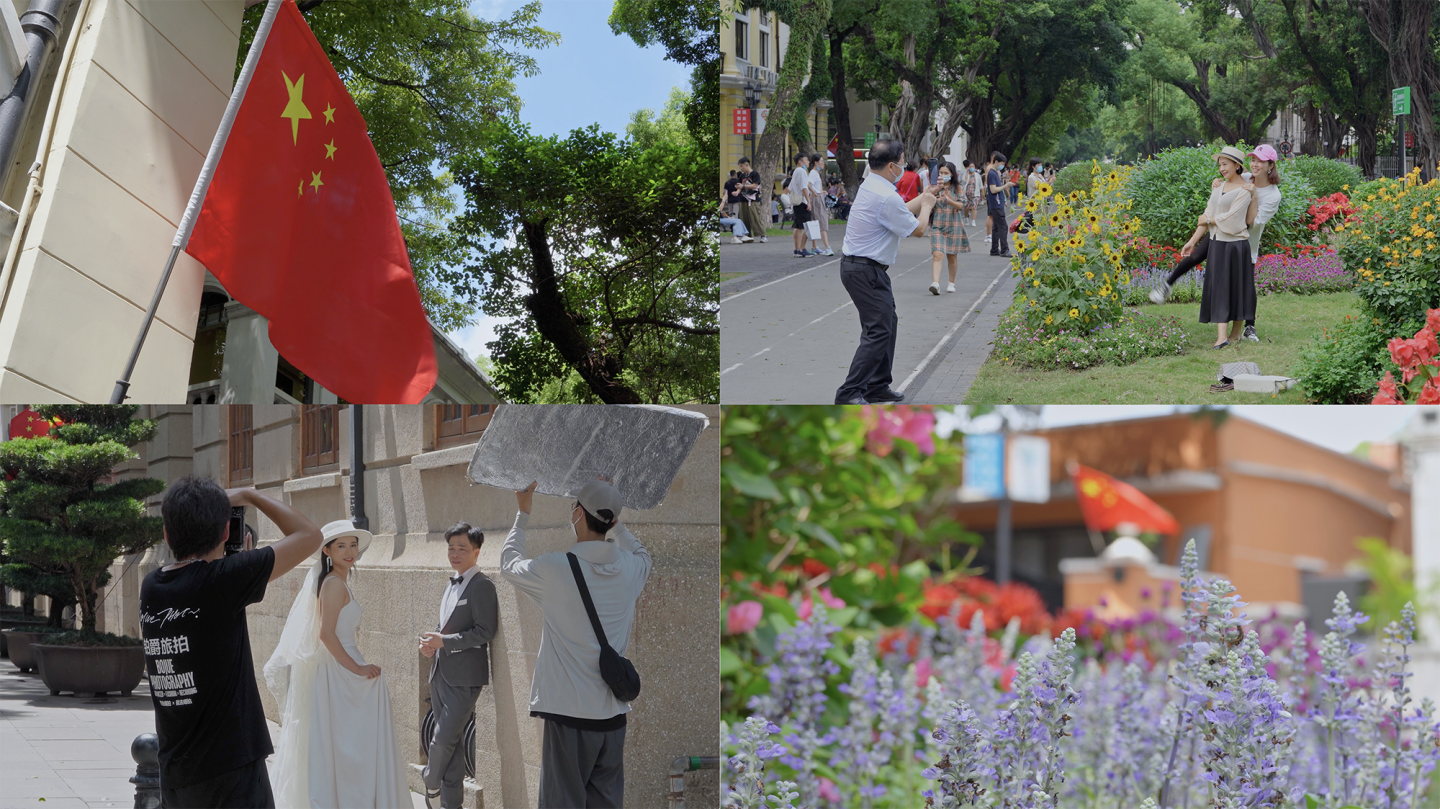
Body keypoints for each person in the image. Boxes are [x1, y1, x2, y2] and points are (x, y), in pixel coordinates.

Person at [140, 477, 323, 809]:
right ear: (226, 532)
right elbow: (311, 535)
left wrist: (241, 570)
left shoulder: (152, 586)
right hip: (229, 771)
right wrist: (249, 495)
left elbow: (207, 615)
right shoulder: (225, 580)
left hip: (176, 774)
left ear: (167, 535)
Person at [501, 479, 651, 809]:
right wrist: (616, 520)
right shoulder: (631, 569)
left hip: (568, 716)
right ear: (611, 522)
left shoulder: (555, 568)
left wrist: (522, 513)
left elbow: (509, 563)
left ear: (578, 514)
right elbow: (642, 552)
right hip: (613, 716)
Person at [264, 520, 410, 809]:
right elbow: (326, 634)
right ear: (327, 551)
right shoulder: (332, 584)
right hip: (338, 672)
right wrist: (356, 669)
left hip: (343, 666)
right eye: (341, 546)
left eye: (353, 545)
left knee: (354, 744)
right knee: (348, 746)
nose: (349, 551)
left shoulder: (339, 581)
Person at [833, 138, 937, 405]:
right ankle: (850, 392)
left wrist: (922, 198)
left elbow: (899, 211)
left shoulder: (872, 184)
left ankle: (877, 385)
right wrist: (926, 206)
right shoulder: (885, 195)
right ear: (892, 166)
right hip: (864, 270)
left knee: (887, 324)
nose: (904, 167)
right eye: (902, 163)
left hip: (864, 269)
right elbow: (918, 229)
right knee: (878, 330)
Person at [420, 523, 500, 809]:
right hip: (440, 673)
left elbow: (485, 630)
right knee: (451, 749)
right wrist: (431, 643)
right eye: (451, 548)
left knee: (441, 739)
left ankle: (430, 782)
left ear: (476, 552)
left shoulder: (482, 585)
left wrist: (445, 641)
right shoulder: (450, 582)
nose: (454, 553)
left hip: (465, 679)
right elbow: (446, 627)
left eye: (462, 548)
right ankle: (450, 805)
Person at [1187, 146, 1257, 348]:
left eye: (1225, 164)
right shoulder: (1218, 187)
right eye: (1220, 165)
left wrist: (1210, 219)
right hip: (1217, 244)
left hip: (1236, 246)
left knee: (1237, 289)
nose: (1222, 169)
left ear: (1237, 165)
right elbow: (1207, 214)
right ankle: (1222, 336)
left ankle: (1234, 334)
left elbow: (1234, 218)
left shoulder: (1245, 190)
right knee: (1220, 289)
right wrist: (1192, 241)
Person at [1239, 144, 1283, 341]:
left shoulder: (1273, 195)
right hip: (1225, 234)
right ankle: (1168, 284)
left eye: (1260, 161)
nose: (1254, 164)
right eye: (1253, 159)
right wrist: (1218, 184)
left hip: (1247, 242)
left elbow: (1252, 223)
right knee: (1196, 254)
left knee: (1247, 284)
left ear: (1270, 165)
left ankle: (1250, 327)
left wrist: (1254, 196)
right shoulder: (1245, 178)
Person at [927, 160, 969, 295]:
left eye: (946, 173)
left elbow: (961, 206)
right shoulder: (934, 188)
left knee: (952, 256)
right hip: (937, 225)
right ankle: (935, 283)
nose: (943, 175)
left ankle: (951, 283)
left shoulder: (958, 189)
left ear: (952, 174)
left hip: (954, 225)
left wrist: (949, 200)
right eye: (941, 172)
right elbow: (926, 204)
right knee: (937, 254)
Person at [986, 152, 1014, 258]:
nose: (1002, 166)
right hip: (996, 203)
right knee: (1003, 226)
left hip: (997, 202)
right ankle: (1004, 249)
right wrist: (1006, 185)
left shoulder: (994, 172)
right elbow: (993, 190)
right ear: (996, 161)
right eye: (1001, 163)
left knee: (997, 227)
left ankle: (994, 249)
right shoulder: (992, 173)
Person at [807, 152, 835, 256]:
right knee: (822, 223)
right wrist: (815, 193)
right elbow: (808, 184)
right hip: (817, 200)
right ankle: (827, 247)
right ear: (816, 163)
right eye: (821, 162)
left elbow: (812, 185)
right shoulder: (813, 173)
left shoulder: (815, 173)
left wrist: (819, 191)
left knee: (816, 222)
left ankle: (814, 247)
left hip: (818, 198)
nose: (823, 164)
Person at [735, 157, 768, 243]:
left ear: (747, 165)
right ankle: (747, 236)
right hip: (743, 199)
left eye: (741, 166)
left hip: (753, 199)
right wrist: (737, 191)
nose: (740, 168)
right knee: (744, 218)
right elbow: (740, 185)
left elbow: (755, 186)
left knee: (756, 217)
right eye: (740, 166)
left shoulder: (755, 174)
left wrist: (743, 187)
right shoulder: (742, 175)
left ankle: (762, 235)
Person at [790, 153, 815, 258]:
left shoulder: (796, 171)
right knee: (807, 226)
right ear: (800, 162)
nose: (808, 162)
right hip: (802, 201)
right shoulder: (802, 171)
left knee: (797, 226)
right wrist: (808, 201)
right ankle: (802, 249)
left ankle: (797, 249)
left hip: (796, 202)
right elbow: (804, 187)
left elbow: (791, 187)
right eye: (806, 160)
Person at [961, 159, 981, 227]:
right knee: (966, 208)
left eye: (973, 166)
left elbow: (980, 185)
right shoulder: (965, 174)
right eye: (970, 166)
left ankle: (973, 221)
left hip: (975, 194)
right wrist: (967, 172)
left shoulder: (977, 175)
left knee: (974, 207)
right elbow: (965, 180)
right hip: (966, 194)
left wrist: (982, 192)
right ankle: (966, 218)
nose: (971, 167)